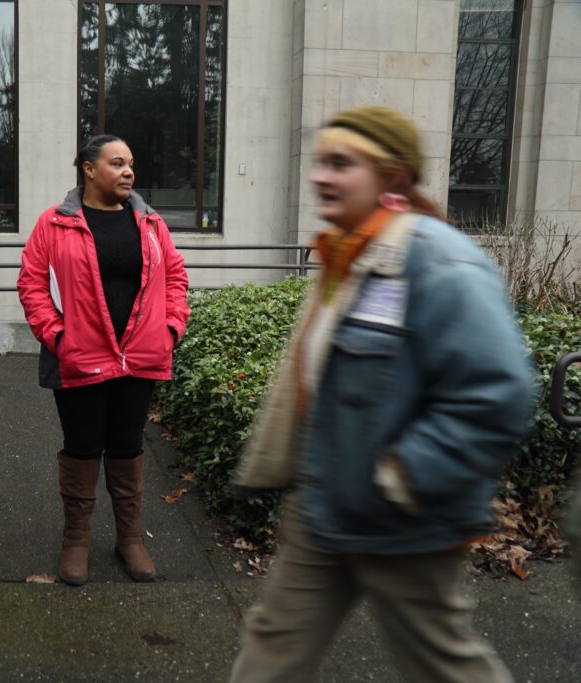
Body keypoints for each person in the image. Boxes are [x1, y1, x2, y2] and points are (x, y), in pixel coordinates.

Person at [227, 107, 536, 682]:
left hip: (405, 521)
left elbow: (500, 392)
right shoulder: (350, 256)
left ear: (392, 177)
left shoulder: (440, 262)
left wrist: (404, 474)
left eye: (341, 164)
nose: (321, 176)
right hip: (324, 510)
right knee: (272, 649)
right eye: (321, 161)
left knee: (443, 664)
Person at [17, 135, 190, 586]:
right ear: (89, 170)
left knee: (128, 446)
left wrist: (171, 328)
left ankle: (129, 539)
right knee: (82, 446)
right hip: (78, 358)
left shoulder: (151, 223)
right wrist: (56, 334)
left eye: (131, 164)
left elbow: (175, 276)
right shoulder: (53, 224)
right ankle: (76, 540)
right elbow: (32, 284)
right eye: (118, 163)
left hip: (140, 357)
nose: (129, 172)